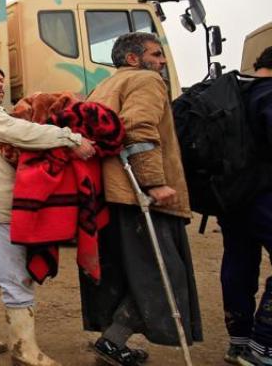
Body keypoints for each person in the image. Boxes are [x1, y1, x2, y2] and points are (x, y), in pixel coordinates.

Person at [0, 63, 95, 366]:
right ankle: (24, 349)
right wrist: (70, 138)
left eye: (2, 81)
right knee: (16, 276)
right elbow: (22, 132)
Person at [81, 32, 203, 365]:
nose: (162, 62)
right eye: (156, 54)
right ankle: (113, 340)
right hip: (138, 195)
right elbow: (137, 127)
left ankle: (112, 340)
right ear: (134, 58)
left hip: (112, 193)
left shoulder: (104, 85)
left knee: (129, 272)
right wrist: (154, 183)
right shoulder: (146, 81)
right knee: (163, 276)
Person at [221, 46, 272, 365]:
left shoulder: (235, 92)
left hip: (231, 197)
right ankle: (264, 347)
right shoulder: (268, 95)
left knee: (238, 264)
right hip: (266, 196)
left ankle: (239, 340)